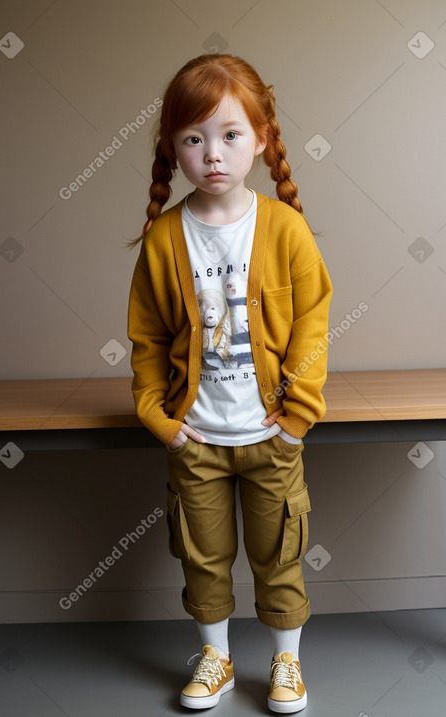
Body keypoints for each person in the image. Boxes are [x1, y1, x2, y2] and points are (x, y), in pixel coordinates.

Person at [127, 53, 332, 713]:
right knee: (203, 558)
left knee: (279, 558)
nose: (212, 153)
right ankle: (214, 656)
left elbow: (312, 324)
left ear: (262, 140)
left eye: (230, 134)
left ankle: (286, 664)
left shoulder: (285, 229)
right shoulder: (164, 239)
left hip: (272, 438)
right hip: (198, 440)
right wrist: (162, 420)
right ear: (173, 149)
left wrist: (297, 415)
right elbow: (148, 339)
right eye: (193, 138)